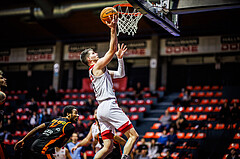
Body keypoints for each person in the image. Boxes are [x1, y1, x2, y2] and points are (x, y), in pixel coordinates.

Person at [79, 14, 138, 159]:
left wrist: (120, 59)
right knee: (133, 136)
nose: (96, 53)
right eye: (93, 53)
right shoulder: (97, 66)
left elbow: (120, 74)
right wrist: (113, 28)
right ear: (89, 59)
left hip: (101, 110)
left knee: (108, 147)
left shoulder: (99, 70)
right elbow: (111, 50)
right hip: (109, 105)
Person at [14, 105, 79, 159]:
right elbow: (60, 145)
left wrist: (23, 140)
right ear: (68, 114)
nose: (78, 115)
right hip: (44, 150)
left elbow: (37, 128)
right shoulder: (70, 127)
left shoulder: (55, 120)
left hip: (34, 146)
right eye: (75, 113)